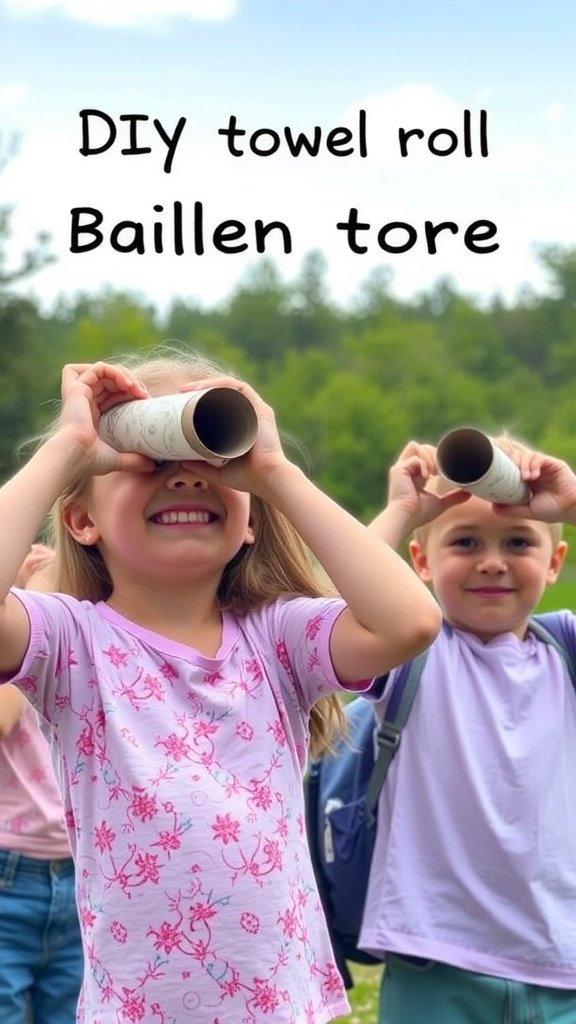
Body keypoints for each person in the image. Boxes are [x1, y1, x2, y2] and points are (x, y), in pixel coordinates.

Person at [0, 350, 441, 1024]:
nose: (186, 477)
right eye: (150, 461)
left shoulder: (277, 638)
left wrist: (273, 472)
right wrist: (69, 448)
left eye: (212, 462)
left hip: (282, 1009)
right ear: (82, 520)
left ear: (252, 519)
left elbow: (410, 621)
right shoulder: (71, 643)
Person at [363, 435, 576, 1024]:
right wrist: (402, 510)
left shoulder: (566, 649)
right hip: (433, 962)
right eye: (464, 541)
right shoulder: (409, 648)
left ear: (555, 563)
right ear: (421, 560)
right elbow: (330, 611)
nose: (492, 562)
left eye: (518, 541)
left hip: (564, 964)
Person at [0, 545, 82, 1024]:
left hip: (79, 873)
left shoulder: (79, 627)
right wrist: (36, 597)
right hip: (9, 876)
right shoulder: (20, 623)